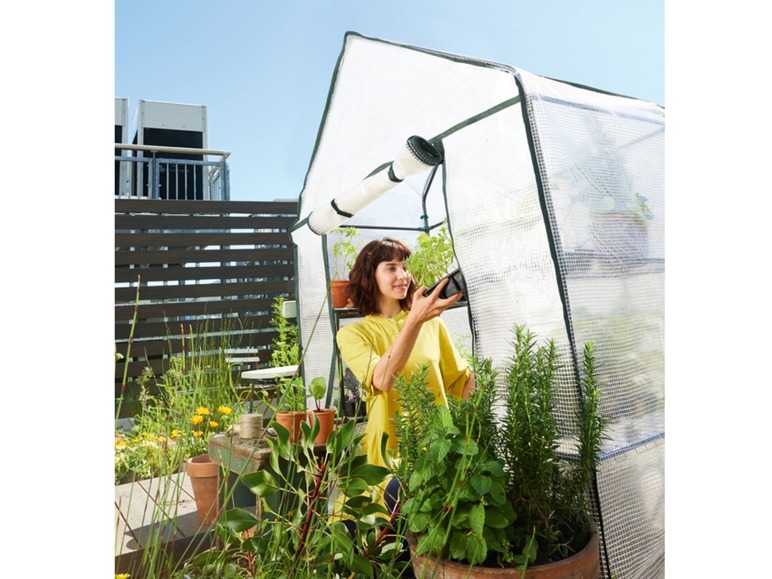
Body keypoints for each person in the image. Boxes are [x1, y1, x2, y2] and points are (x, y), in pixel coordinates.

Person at [335, 237, 475, 510]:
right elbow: (382, 379)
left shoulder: (432, 325)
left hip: (437, 449)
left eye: (404, 267)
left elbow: (463, 381)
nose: (403, 276)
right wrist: (415, 320)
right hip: (391, 457)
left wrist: (472, 437)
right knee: (392, 518)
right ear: (370, 276)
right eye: (391, 268)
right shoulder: (353, 334)